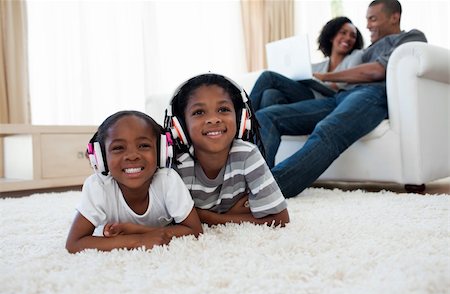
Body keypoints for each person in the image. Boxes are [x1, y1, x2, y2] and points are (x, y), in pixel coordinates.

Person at [255, 0, 427, 198]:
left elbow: (377, 71)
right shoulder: (368, 49)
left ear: (394, 17)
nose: (368, 25)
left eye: (373, 19)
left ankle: (265, 192)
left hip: (370, 96)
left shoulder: (410, 37)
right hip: (340, 97)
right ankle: (252, 179)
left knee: (327, 130)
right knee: (267, 116)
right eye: (367, 20)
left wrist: (326, 76)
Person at [66, 110, 203, 253]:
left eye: (143, 145)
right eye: (118, 148)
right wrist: (138, 241)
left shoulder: (168, 180)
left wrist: (140, 231)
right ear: (101, 159)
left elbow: (194, 230)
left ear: (162, 152)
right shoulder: (98, 187)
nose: (132, 156)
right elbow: (74, 243)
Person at [164, 73, 290, 226]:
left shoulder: (247, 154)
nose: (213, 119)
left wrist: (206, 217)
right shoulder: (177, 165)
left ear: (240, 118)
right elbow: (166, 219)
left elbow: (280, 218)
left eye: (223, 109)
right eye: (199, 112)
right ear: (180, 127)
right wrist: (235, 214)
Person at [250, 16, 364, 112]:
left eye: (353, 35)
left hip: (328, 100)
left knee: (268, 76)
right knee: (270, 94)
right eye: (343, 33)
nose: (348, 38)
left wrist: (322, 78)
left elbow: (344, 83)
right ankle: (258, 135)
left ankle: (243, 121)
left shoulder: (355, 56)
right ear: (331, 36)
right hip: (309, 97)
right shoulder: (317, 67)